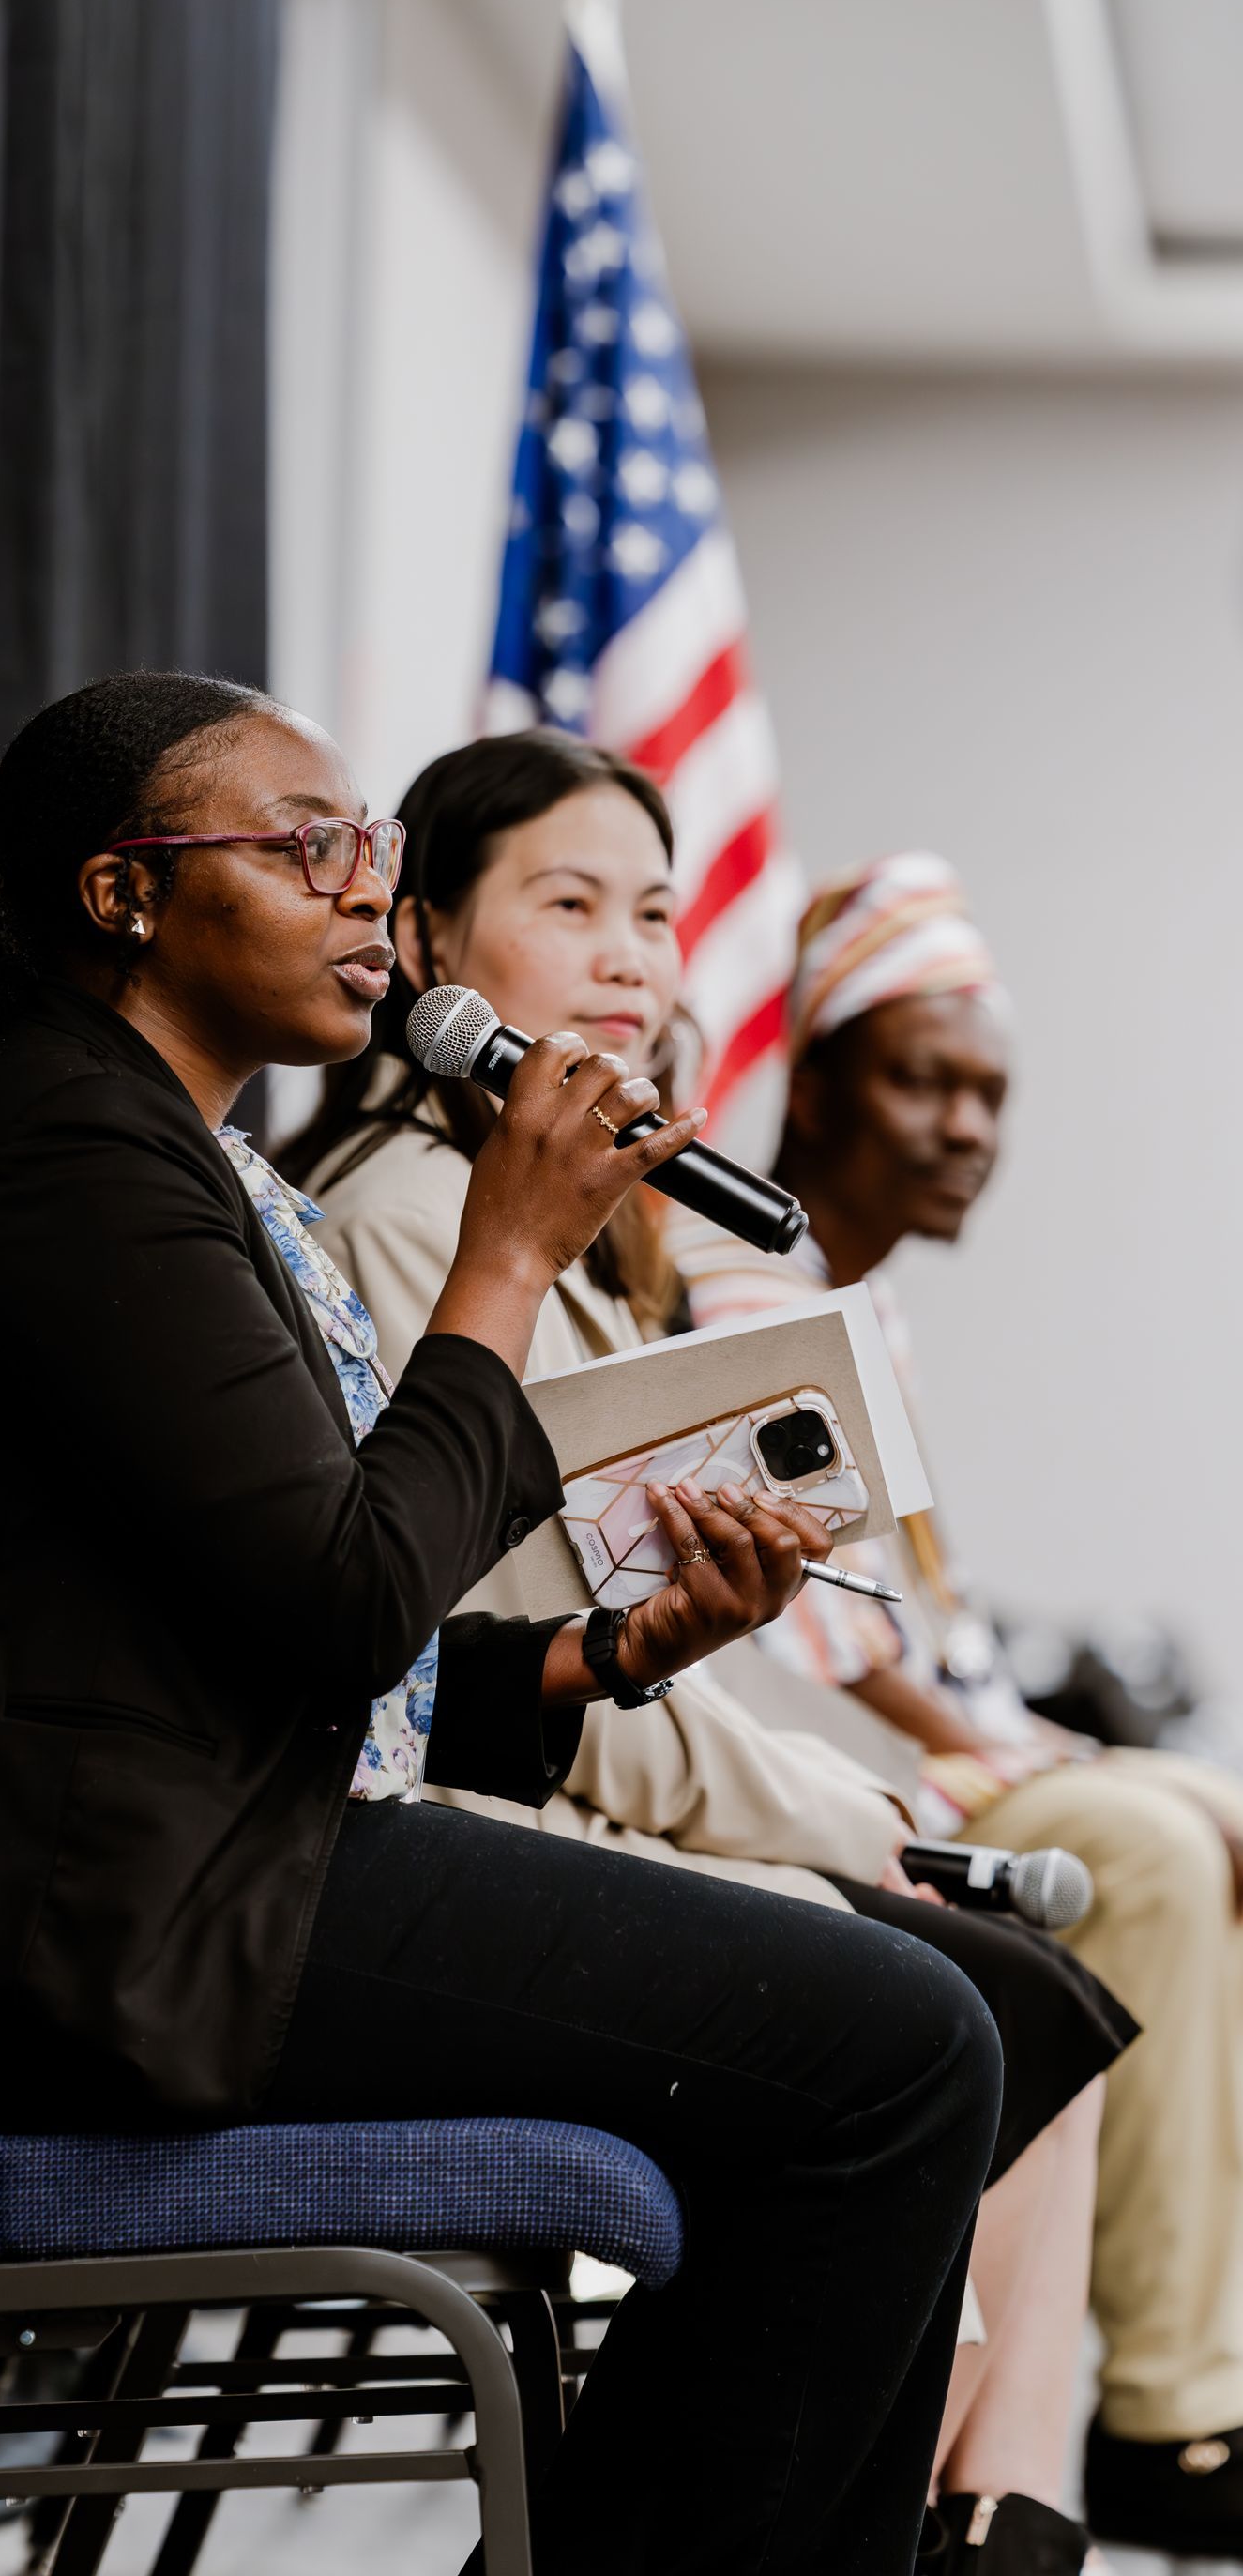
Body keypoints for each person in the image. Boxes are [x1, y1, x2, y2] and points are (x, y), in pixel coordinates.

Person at [0, 674, 1003, 2576]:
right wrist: (508, 1256)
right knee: (901, 2048)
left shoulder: (160, 1154)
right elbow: (351, 1599)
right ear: (124, 895)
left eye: (371, 851)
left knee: (897, 2036)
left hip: (210, 1870)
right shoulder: (62, 1156)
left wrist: (619, 1651)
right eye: (303, 851)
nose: (367, 895)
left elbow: (292, 1621)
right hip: (136, 1938)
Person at [287, 735, 1131, 2575]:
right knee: (948, 2014)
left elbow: (642, 1649)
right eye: (570, 905)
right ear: (420, 938)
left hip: (597, 1783)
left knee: (1033, 1999)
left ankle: (1001, 2515)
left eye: (657, 916)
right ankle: (936, 2519)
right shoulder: (423, 1218)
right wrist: (848, 1811)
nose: (630, 963)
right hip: (464, 1833)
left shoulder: (581, 1233)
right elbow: (500, 1671)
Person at [675, 848, 1243, 2567]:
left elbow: (931, 1621)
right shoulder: (737, 1286)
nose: (965, 1126)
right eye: (923, 1080)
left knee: (1188, 1813)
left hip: (927, 1752)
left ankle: (1175, 2382)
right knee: (1140, 1846)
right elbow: (801, 1638)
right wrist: (1003, 1755)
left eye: (989, 1093)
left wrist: (1043, 1737)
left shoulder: (863, 1305)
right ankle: (1160, 2413)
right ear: (820, 1081)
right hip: (827, 1782)